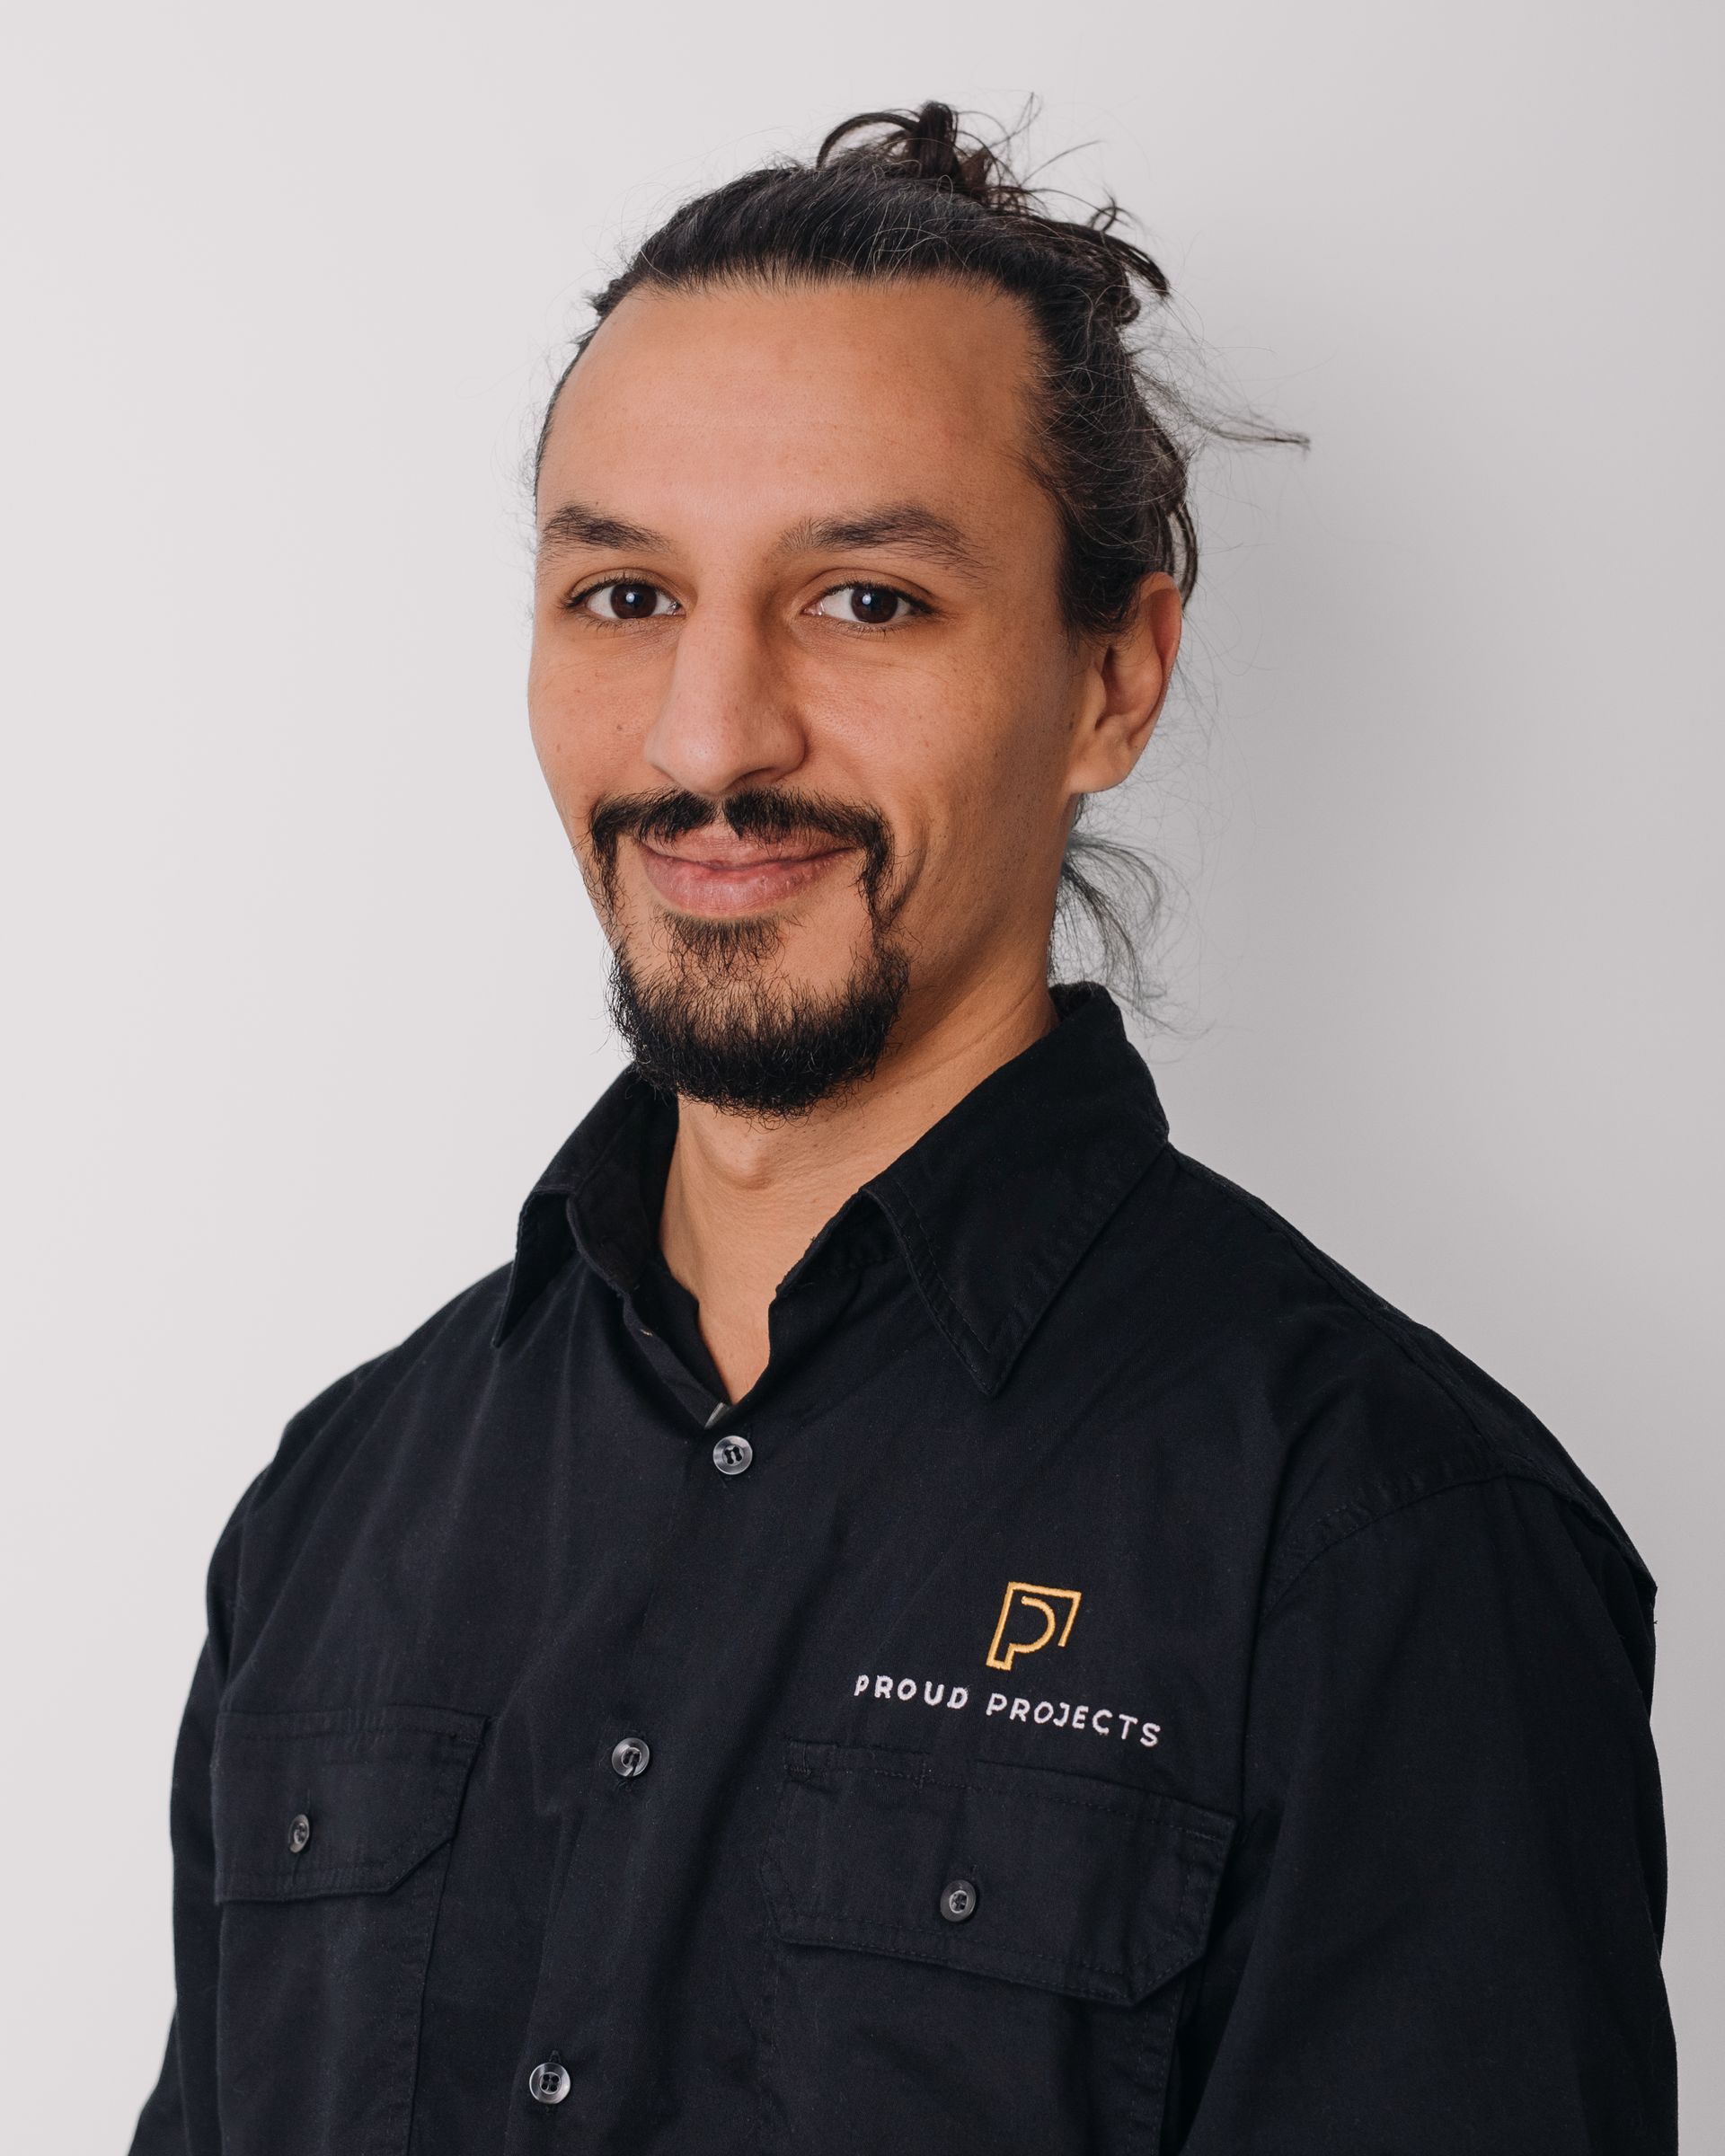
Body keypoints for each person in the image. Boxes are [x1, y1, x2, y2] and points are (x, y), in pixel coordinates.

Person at [128, 102, 1676, 2156]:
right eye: (623, 597)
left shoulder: (1381, 1539)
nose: (707, 740)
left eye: (863, 601)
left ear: (1113, 678)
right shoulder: (339, 1512)